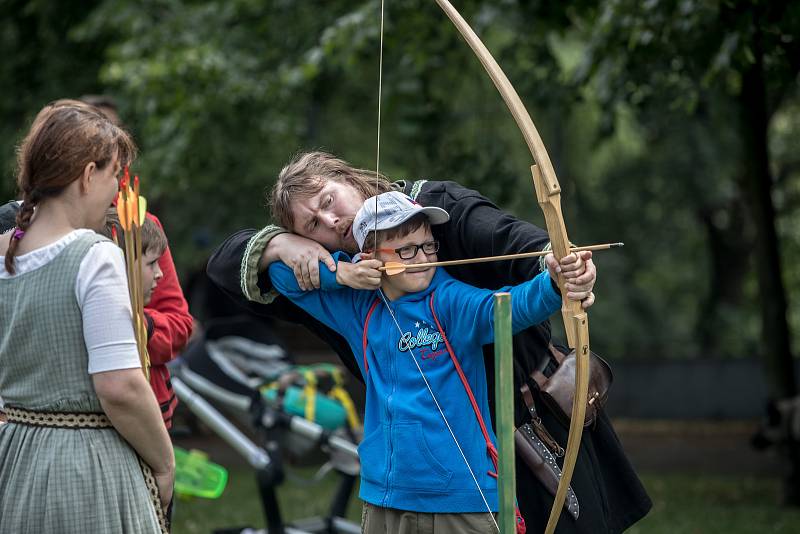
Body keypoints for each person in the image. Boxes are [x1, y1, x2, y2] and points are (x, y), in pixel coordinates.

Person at [207, 151, 652, 533]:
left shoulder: (438, 222)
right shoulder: (346, 292)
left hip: (532, 418)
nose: (331, 220)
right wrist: (280, 245)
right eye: (313, 225)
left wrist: (558, 270)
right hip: (398, 479)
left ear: (348, 179)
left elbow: (512, 253)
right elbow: (226, 266)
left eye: (329, 200)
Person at [270, 191, 568, 531]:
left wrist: (555, 283)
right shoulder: (358, 308)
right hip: (386, 496)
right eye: (406, 250)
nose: (422, 258)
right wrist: (341, 274)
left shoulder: (449, 300)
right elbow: (282, 276)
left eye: (427, 246)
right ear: (371, 256)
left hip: (463, 495)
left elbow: (507, 307)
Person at [0, 100, 173, 532]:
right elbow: (120, 387)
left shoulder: (4, 253)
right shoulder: (95, 255)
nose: (117, 191)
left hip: (15, 460)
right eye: (115, 175)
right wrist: (165, 462)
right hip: (86, 469)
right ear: (87, 175)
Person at [0, 95, 194, 429]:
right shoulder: (13, 232)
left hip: (136, 413)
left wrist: (137, 324)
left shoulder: (139, 227)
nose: (118, 178)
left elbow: (178, 324)